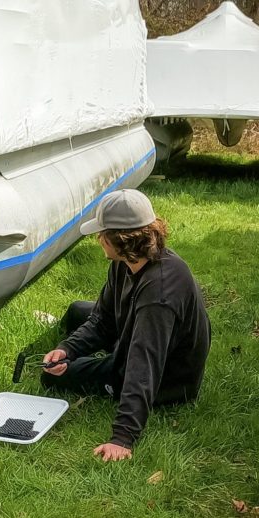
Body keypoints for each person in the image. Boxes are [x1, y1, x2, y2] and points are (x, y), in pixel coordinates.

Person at [41, 188, 211, 462]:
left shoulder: (160, 293)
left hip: (167, 379)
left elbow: (144, 363)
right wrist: (68, 349)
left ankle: (106, 372)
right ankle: (78, 352)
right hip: (135, 334)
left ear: (118, 240)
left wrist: (122, 437)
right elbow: (102, 319)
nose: (98, 240)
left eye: (101, 234)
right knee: (76, 312)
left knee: (53, 376)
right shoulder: (126, 262)